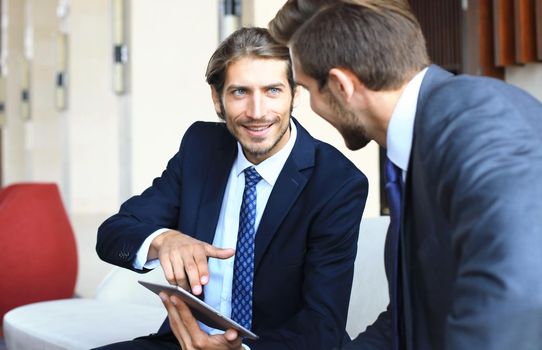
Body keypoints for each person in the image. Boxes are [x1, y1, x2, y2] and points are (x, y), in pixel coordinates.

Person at [268, 1, 542, 350]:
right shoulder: (419, 145)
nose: (311, 107)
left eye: (306, 90)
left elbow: (517, 295)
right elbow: (409, 321)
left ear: (340, 85)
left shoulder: (479, 118)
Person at [95, 27, 368, 350]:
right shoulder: (201, 148)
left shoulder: (336, 182)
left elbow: (322, 326)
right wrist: (163, 240)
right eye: (240, 92)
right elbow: (112, 235)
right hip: (184, 343)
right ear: (217, 99)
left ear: (295, 94)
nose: (256, 112)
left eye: (272, 91)